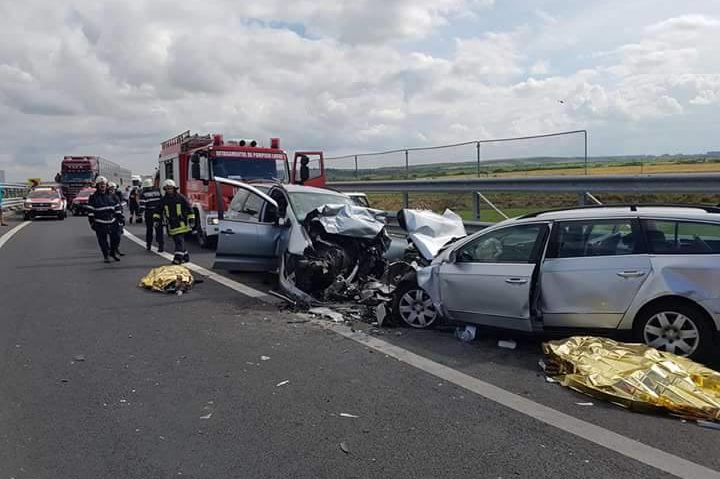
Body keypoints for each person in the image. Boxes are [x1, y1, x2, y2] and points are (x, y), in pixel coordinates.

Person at [156, 179, 195, 264]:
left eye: (170, 188)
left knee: (179, 241)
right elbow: (158, 210)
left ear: (174, 188)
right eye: (167, 188)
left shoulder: (181, 198)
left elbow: (189, 209)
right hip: (171, 225)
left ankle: (178, 258)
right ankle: (186, 256)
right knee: (178, 241)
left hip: (181, 224)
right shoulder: (164, 200)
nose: (168, 190)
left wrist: (191, 220)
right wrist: (156, 220)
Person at [87, 176, 123, 263]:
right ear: (97, 186)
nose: (102, 186)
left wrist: (120, 219)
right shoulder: (93, 197)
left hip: (112, 221)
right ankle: (106, 256)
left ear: (106, 185)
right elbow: (90, 211)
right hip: (100, 222)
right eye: (100, 184)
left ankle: (113, 252)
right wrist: (92, 222)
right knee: (103, 241)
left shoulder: (112, 196)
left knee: (116, 238)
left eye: (104, 184)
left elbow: (117, 208)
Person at [138, 178, 164, 252]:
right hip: (158, 213)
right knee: (159, 230)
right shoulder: (158, 192)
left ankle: (148, 245)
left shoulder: (143, 194)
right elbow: (162, 202)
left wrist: (139, 214)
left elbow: (142, 206)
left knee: (149, 230)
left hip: (149, 213)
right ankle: (160, 246)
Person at [107, 182, 126, 256]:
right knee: (112, 236)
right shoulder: (107, 197)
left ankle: (116, 249)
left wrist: (121, 217)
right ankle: (111, 250)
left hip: (118, 217)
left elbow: (121, 204)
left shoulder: (116, 196)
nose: (112, 190)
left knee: (118, 235)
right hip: (111, 218)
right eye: (110, 189)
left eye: (113, 189)